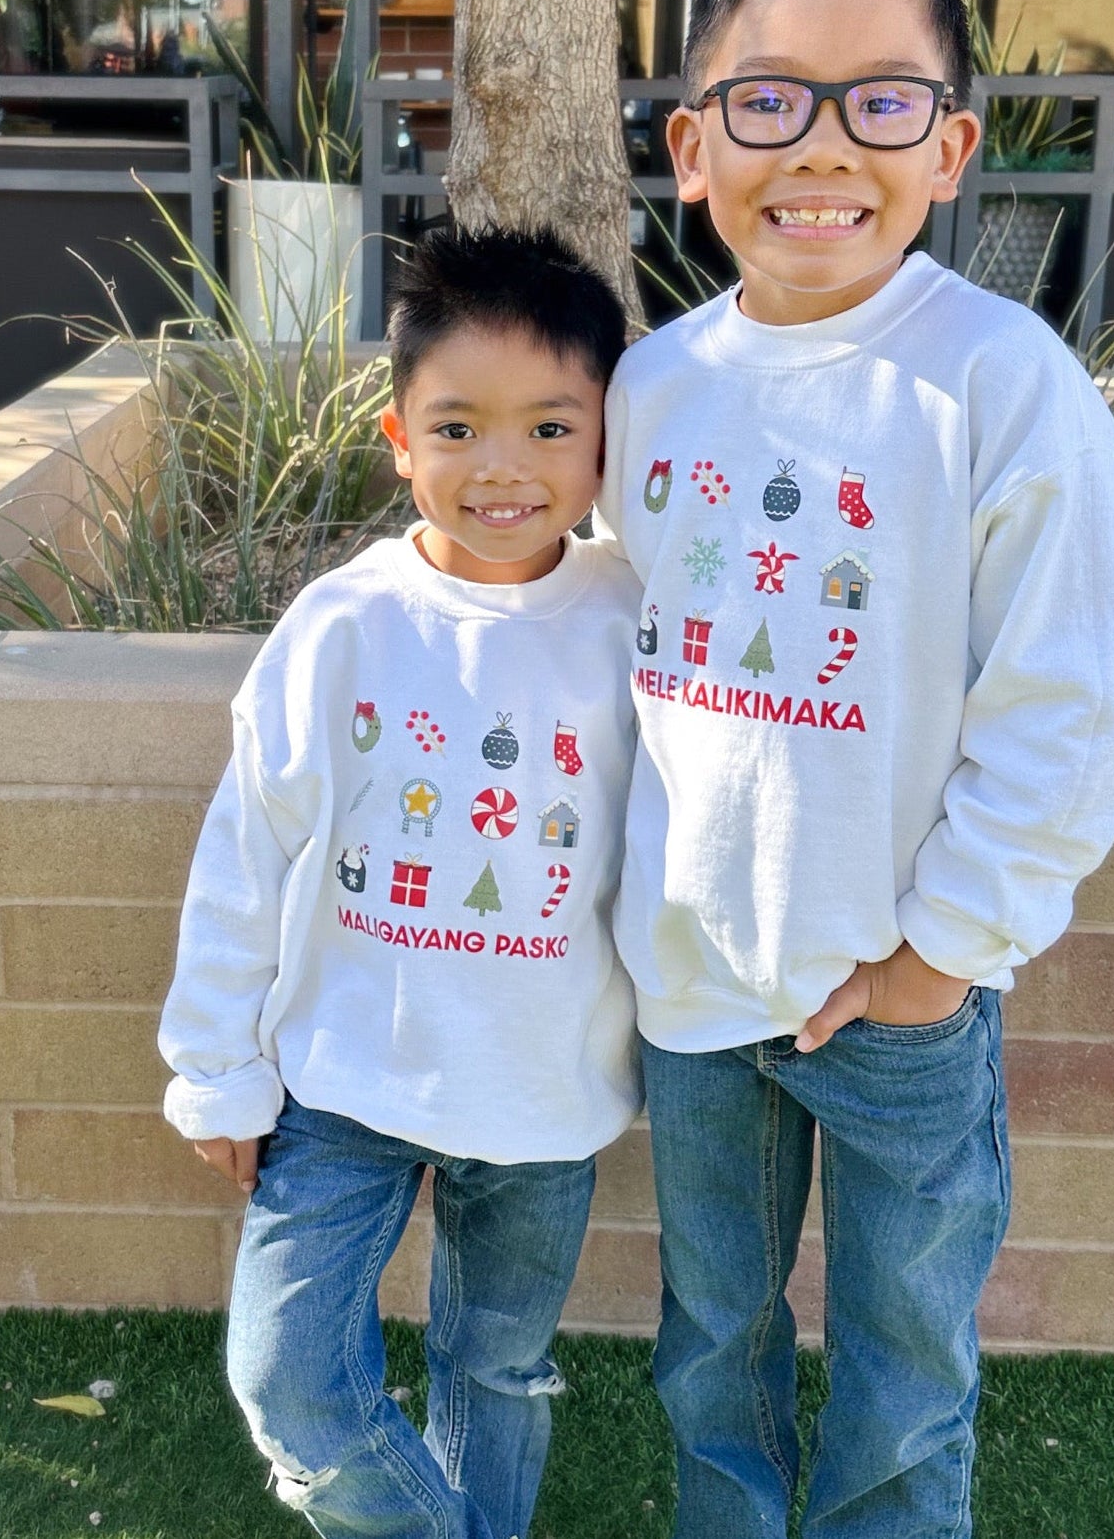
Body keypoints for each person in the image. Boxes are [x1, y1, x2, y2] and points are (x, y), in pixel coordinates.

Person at [595, 0, 1114, 1538]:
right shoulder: (655, 385)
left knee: (903, 1366)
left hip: (897, 993)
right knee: (710, 1346)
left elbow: (1083, 675)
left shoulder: (994, 377)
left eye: (881, 99)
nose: (822, 144)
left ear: (948, 147)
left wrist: (944, 947)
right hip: (697, 985)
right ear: (691, 146)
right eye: (769, 97)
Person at [159, 223, 640, 1539]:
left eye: (551, 428)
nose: (503, 466)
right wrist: (215, 1066)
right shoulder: (345, 623)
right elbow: (249, 847)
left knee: (496, 1371)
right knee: (290, 1382)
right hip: (340, 1081)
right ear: (399, 439)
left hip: (543, 1093)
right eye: (458, 427)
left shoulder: (631, 620)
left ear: (607, 443)